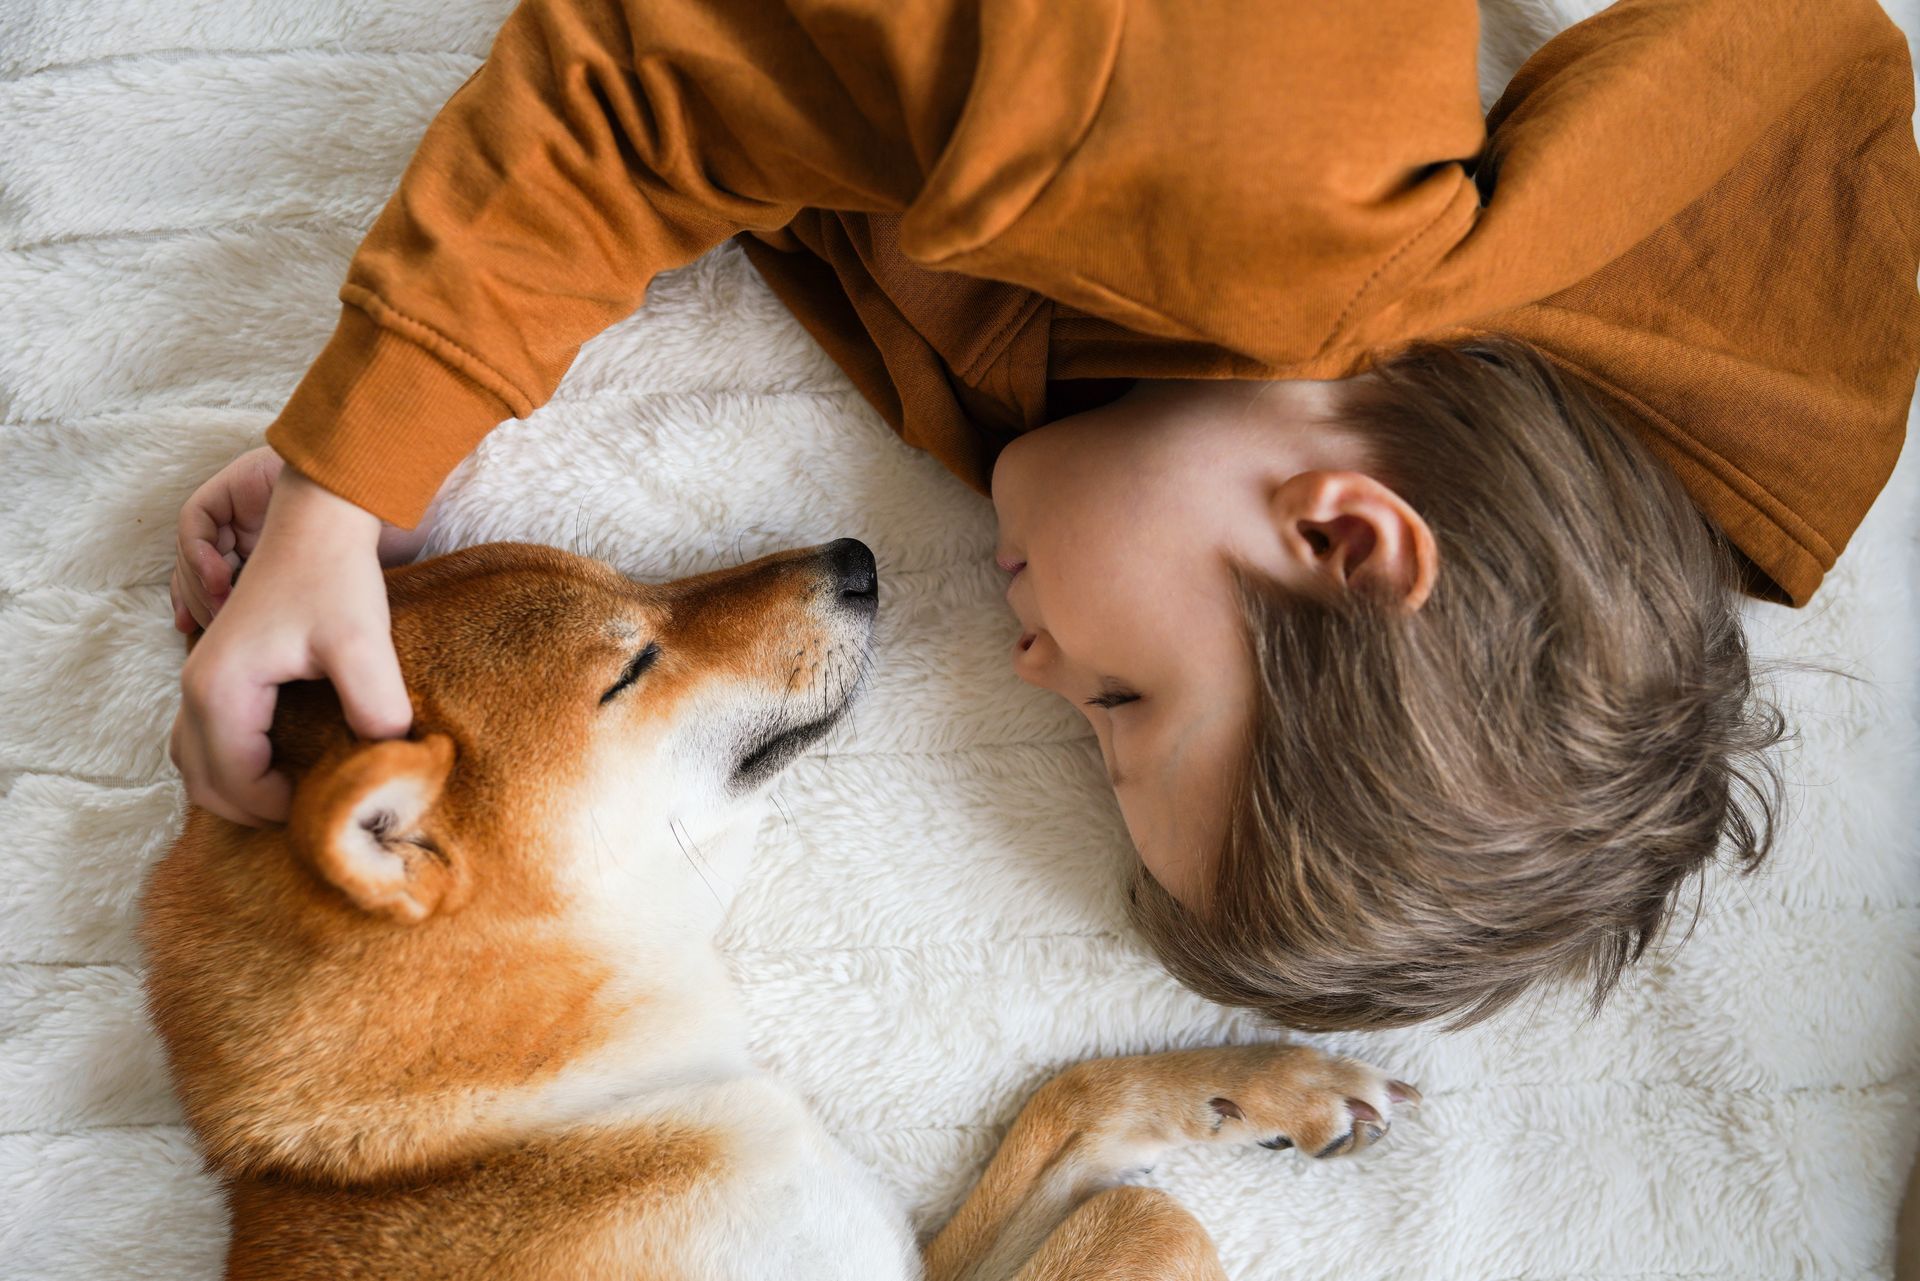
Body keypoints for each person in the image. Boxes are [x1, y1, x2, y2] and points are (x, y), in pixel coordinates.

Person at [168, 0, 1920, 1029]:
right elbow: (668, 66)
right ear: (1343, 536)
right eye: (1123, 705)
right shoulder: (1258, 188)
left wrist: (376, 489)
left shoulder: (1088, 409)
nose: (1025, 664)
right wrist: (356, 458)